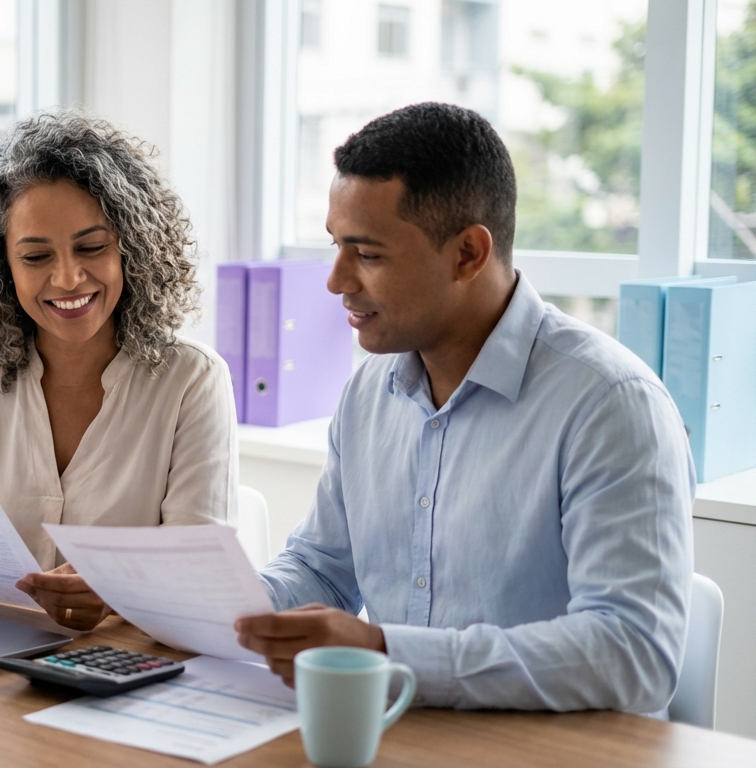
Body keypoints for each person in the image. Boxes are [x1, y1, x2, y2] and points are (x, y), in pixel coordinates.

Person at [234, 102, 693, 715]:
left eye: (367, 255)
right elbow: (322, 569)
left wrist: (386, 651)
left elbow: (633, 654)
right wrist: (208, 607)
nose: (336, 280)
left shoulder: (610, 405)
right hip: (403, 738)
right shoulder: (369, 392)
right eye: (336, 246)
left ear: (468, 255)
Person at [0, 110, 238, 631]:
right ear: (3, 268)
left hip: (119, 663)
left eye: (91, 247)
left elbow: (199, 568)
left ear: (131, 250)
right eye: (37, 256)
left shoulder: (192, 380)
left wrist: (117, 590)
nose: (68, 278)